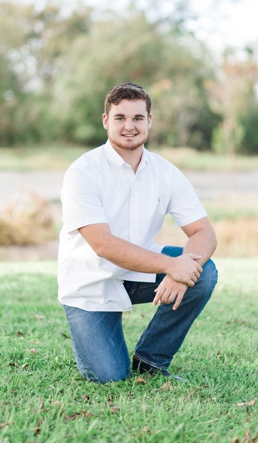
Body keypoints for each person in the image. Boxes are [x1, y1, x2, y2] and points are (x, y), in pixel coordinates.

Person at [58, 82, 218, 383]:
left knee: (203, 271)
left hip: (141, 273)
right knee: (110, 376)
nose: (129, 126)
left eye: (137, 118)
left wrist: (179, 272)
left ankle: (151, 360)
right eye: (120, 118)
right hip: (91, 283)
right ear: (106, 121)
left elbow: (203, 232)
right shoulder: (83, 172)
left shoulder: (166, 172)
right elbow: (103, 245)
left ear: (149, 121)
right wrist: (172, 265)